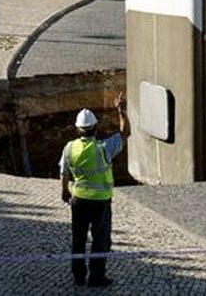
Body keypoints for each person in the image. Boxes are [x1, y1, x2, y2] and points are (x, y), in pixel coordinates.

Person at [60, 92, 131, 289]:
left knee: (78, 239)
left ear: (77, 129)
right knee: (100, 241)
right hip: (101, 202)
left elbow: (63, 172)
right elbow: (125, 133)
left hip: (79, 200)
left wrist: (65, 192)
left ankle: (78, 276)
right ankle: (96, 277)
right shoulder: (103, 148)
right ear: (95, 127)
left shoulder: (69, 148)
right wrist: (121, 111)